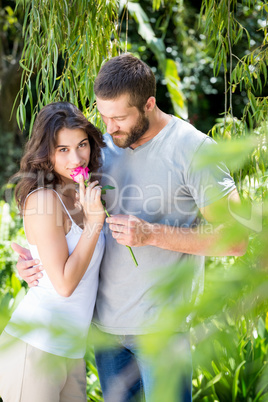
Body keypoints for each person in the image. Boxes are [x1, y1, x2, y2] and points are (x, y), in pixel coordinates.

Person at [14, 54, 248, 402]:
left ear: (149, 104)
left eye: (119, 118)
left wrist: (151, 234)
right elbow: (57, 213)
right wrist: (35, 262)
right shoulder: (100, 149)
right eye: (103, 116)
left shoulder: (195, 150)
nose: (108, 128)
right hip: (105, 329)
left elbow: (236, 241)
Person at [0, 102, 106, 402]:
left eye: (82, 145)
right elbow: (63, 285)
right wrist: (94, 225)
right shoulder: (44, 200)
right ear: (46, 152)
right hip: (34, 348)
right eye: (63, 149)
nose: (76, 158)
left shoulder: (85, 190)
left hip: (71, 352)